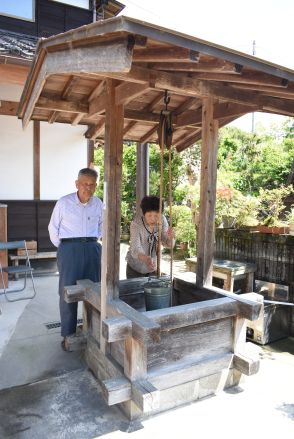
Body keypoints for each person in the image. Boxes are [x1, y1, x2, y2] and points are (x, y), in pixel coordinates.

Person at [48, 168, 103, 351]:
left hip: (92, 248)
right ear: (77, 184)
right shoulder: (64, 203)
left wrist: (93, 242)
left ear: (95, 185)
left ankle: (94, 330)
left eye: (92, 185)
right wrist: (65, 248)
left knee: (95, 290)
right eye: (85, 184)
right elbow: (53, 228)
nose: (88, 188)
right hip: (69, 249)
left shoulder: (98, 203)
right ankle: (68, 334)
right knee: (68, 293)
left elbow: (102, 226)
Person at [126, 195, 175, 278]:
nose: (153, 219)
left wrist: (171, 238)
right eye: (149, 215)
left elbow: (168, 243)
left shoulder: (162, 220)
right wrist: (147, 259)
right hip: (136, 269)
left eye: (156, 215)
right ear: (144, 213)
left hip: (153, 268)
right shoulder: (136, 224)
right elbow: (135, 248)